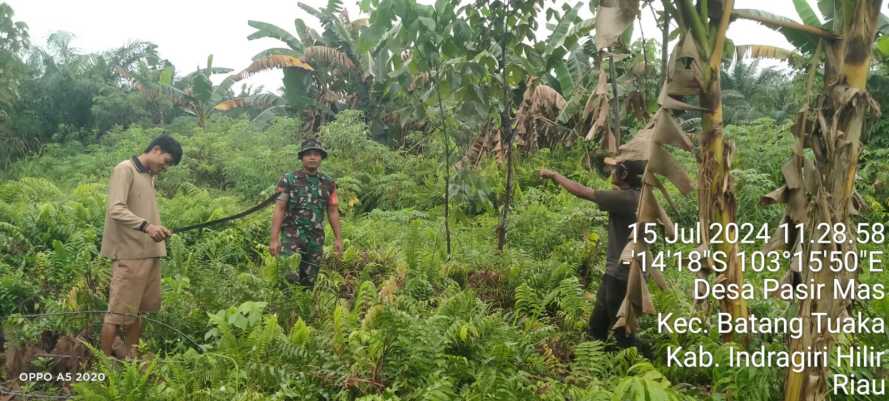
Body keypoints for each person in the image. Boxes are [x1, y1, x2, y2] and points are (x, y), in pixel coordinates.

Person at [539, 159, 646, 349]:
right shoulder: (636, 197)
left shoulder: (625, 200)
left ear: (623, 175)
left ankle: (644, 363)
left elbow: (582, 191)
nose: (611, 171)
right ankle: (591, 357)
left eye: (615, 169)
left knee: (622, 331)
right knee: (598, 321)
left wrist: (555, 176)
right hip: (618, 272)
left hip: (621, 274)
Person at [100, 134, 182, 358]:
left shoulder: (149, 176)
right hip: (130, 254)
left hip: (149, 253)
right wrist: (147, 226)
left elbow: (142, 211)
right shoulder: (125, 169)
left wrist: (157, 228)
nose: (164, 168)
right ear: (155, 150)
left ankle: (132, 362)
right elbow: (115, 209)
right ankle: (103, 369)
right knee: (117, 315)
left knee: (139, 312)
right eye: (165, 161)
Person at [269, 138, 343, 288]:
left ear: (321, 157)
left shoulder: (328, 182)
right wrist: (274, 239)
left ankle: (303, 311)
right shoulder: (288, 179)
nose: (312, 157)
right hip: (291, 238)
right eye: (308, 154)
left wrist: (338, 239)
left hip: (315, 240)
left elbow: (333, 210)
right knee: (287, 279)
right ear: (302, 158)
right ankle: (285, 310)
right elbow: (280, 208)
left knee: (308, 283)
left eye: (316, 154)